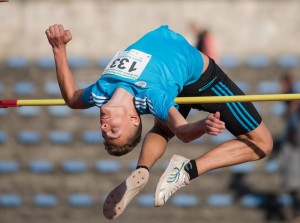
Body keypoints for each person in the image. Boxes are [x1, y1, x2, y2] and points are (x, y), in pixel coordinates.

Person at [45, 24, 273, 219]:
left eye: (104, 131)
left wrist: (59, 49)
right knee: (263, 143)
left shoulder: (100, 93)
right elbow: (183, 131)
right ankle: (188, 170)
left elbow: (72, 98)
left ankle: (143, 169)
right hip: (203, 80)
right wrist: (203, 125)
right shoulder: (152, 95)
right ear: (134, 119)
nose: (104, 127)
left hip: (176, 79)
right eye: (113, 131)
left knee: (162, 131)